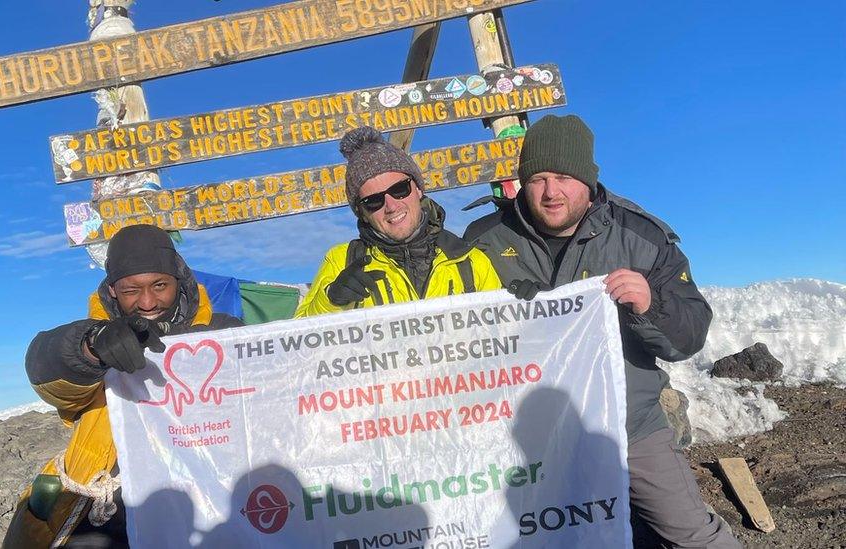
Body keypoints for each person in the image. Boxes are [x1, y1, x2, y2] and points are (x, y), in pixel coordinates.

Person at [464, 114, 740, 548]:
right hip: (521, 436)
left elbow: (689, 338)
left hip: (627, 426)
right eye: (537, 178)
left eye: (563, 177)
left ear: (588, 180)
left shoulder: (640, 236)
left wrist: (650, 304)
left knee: (693, 536)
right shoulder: (484, 242)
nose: (551, 192)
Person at [4, 224, 242, 548]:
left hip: (211, 490)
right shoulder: (94, 340)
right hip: (111, 503)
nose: (147, 302)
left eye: (160, 285)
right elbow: (46, 368)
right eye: (132, 290)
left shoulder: (225, 333)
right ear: (113, 290)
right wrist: (92, 346)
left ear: (180, 279)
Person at [295, 126, 501, 317]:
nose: (391, 206)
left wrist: (528, 307)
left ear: (418, 189)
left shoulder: (471, 261)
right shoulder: (341, 261)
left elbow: (507, 337)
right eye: (373, 201)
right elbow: (295, 343)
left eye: (399, 190)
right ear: (361, 213)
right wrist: (331, 301)